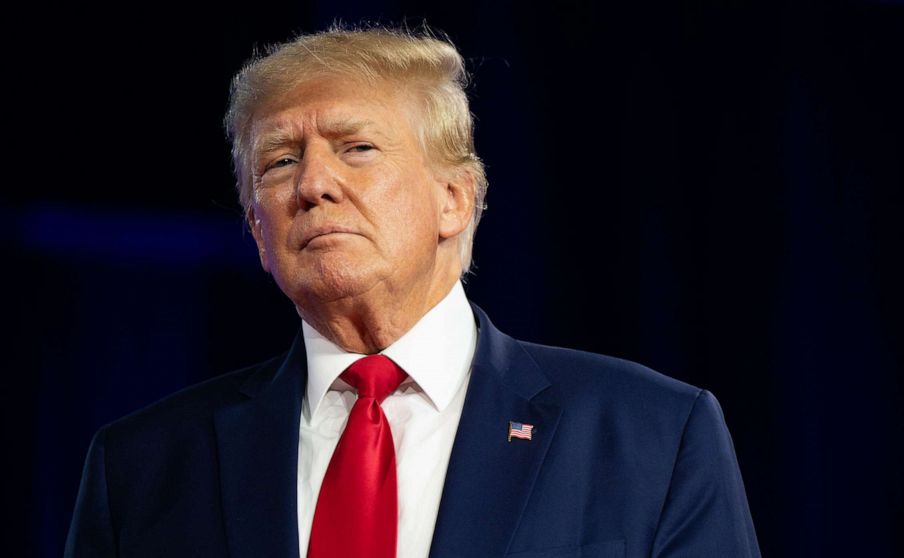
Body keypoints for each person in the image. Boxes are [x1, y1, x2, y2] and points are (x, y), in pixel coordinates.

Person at [66, 26, 761, 558]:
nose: (313, 184)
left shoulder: (653, 435)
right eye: (280, 161)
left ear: (455, 198)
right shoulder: (142, 467)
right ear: (256, 229)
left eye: (356, 148)